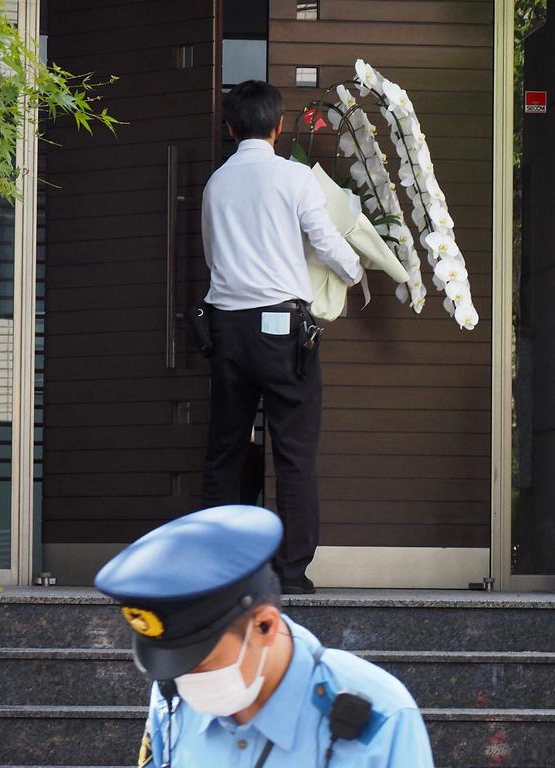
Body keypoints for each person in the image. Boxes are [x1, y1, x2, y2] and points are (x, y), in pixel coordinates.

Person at [94, 505, 434, 768]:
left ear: (265, 626)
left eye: (201, 661)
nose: (186, 678)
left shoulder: (381, 720)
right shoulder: (172, 694)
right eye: (176, 665)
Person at [200, 80, 365, 594]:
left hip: (226, 328)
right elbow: (325, 239)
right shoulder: (294, 178)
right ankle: (290, 572)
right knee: (293, 450)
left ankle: (224, 570)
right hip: (283, 329)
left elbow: (212, 257)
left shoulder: (215, 185)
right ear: (277, 126)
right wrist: (357, 272)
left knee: (226, 451)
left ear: (231, 129)